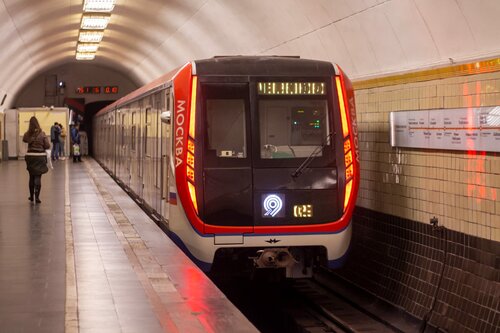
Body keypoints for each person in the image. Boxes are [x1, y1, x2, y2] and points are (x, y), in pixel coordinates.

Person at [23, 116, 50, 204]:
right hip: (39, 157)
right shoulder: (42, 134)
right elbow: (47, 146)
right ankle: (37, 197)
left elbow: (24, 139)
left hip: (30, 157)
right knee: (38, 176)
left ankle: (31, 196)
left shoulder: (27, 134)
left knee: (31, 176)